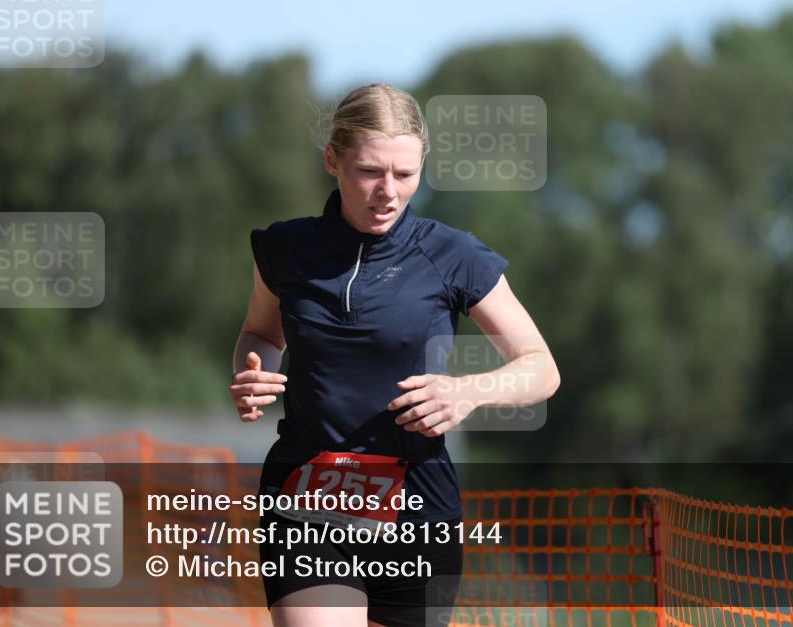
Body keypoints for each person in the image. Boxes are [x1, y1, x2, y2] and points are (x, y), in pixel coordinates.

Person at [230, 83, 560, 627]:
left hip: (418, 507)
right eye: (370, 171)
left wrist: (467, 391)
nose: (388, 191)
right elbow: (260, 335)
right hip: (305, 498)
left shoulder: (454, 255)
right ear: (332, 160)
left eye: (405, 175)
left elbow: (541, 367)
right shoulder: (285, 249)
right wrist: (253, 372)